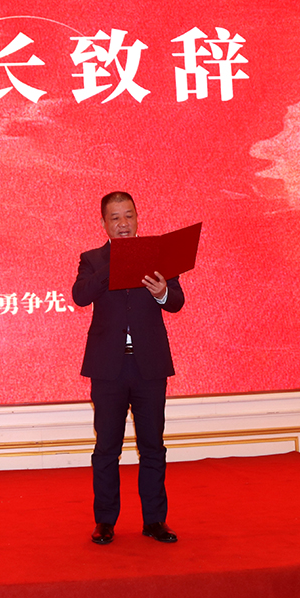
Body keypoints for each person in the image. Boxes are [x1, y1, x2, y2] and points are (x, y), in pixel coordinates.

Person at [71, 191, 185, 545]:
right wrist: (117, 263)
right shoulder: (92, 259)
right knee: (107, 447)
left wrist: (162, 291)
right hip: (109, 369)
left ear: (138, 218)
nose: (123, 223)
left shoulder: (159, 256)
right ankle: (105, 521)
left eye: (129, 215)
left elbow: (176, 302)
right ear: (103, 223)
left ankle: (155, 521)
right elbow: (80, 295)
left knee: (153, 445)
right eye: (115, 218)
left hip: (149, 366)